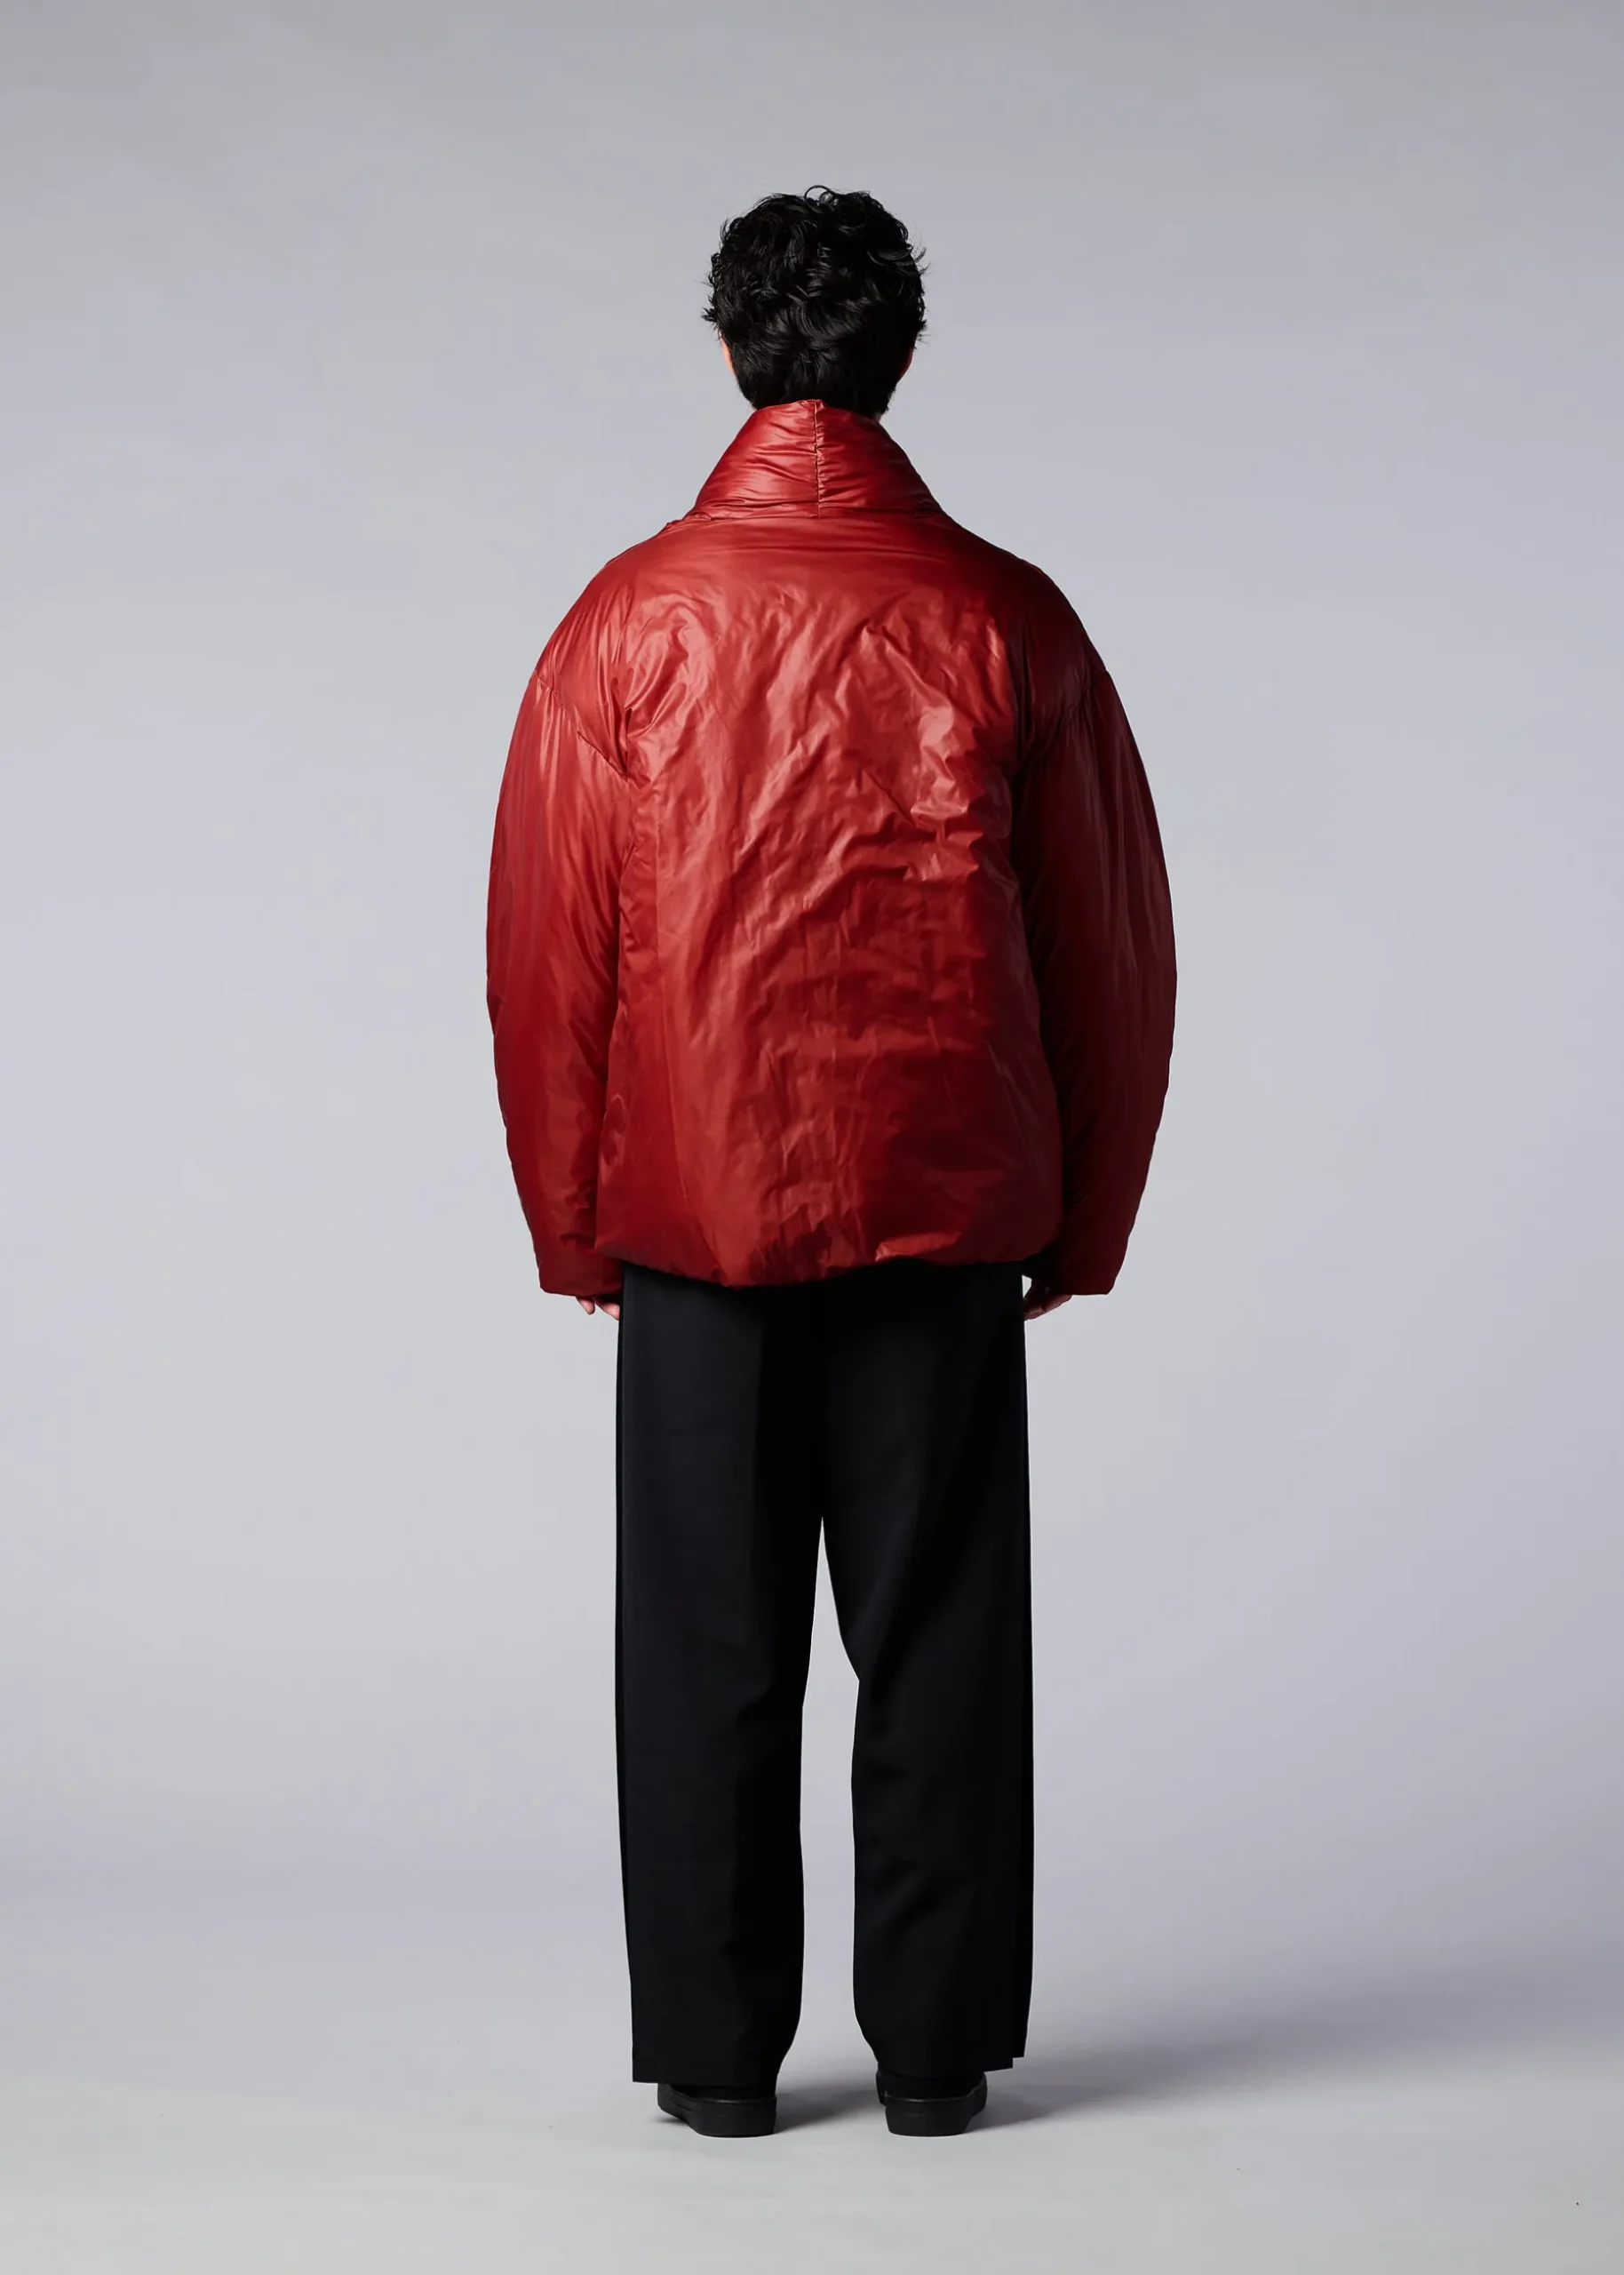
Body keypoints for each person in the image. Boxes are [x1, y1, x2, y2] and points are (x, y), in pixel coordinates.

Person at [486, 188, 1176, 2139]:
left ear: (726, 354)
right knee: (939, 1640)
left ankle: (717, 2069)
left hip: (690, 1214)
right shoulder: (1005, 616)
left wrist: (577, 1225)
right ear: (902, 360)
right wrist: (1084, 1218)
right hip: (946, 1213)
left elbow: (546, 950)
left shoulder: (626, 618)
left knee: (703, 1648)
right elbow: (1111, 948)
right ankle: (938, 2064)